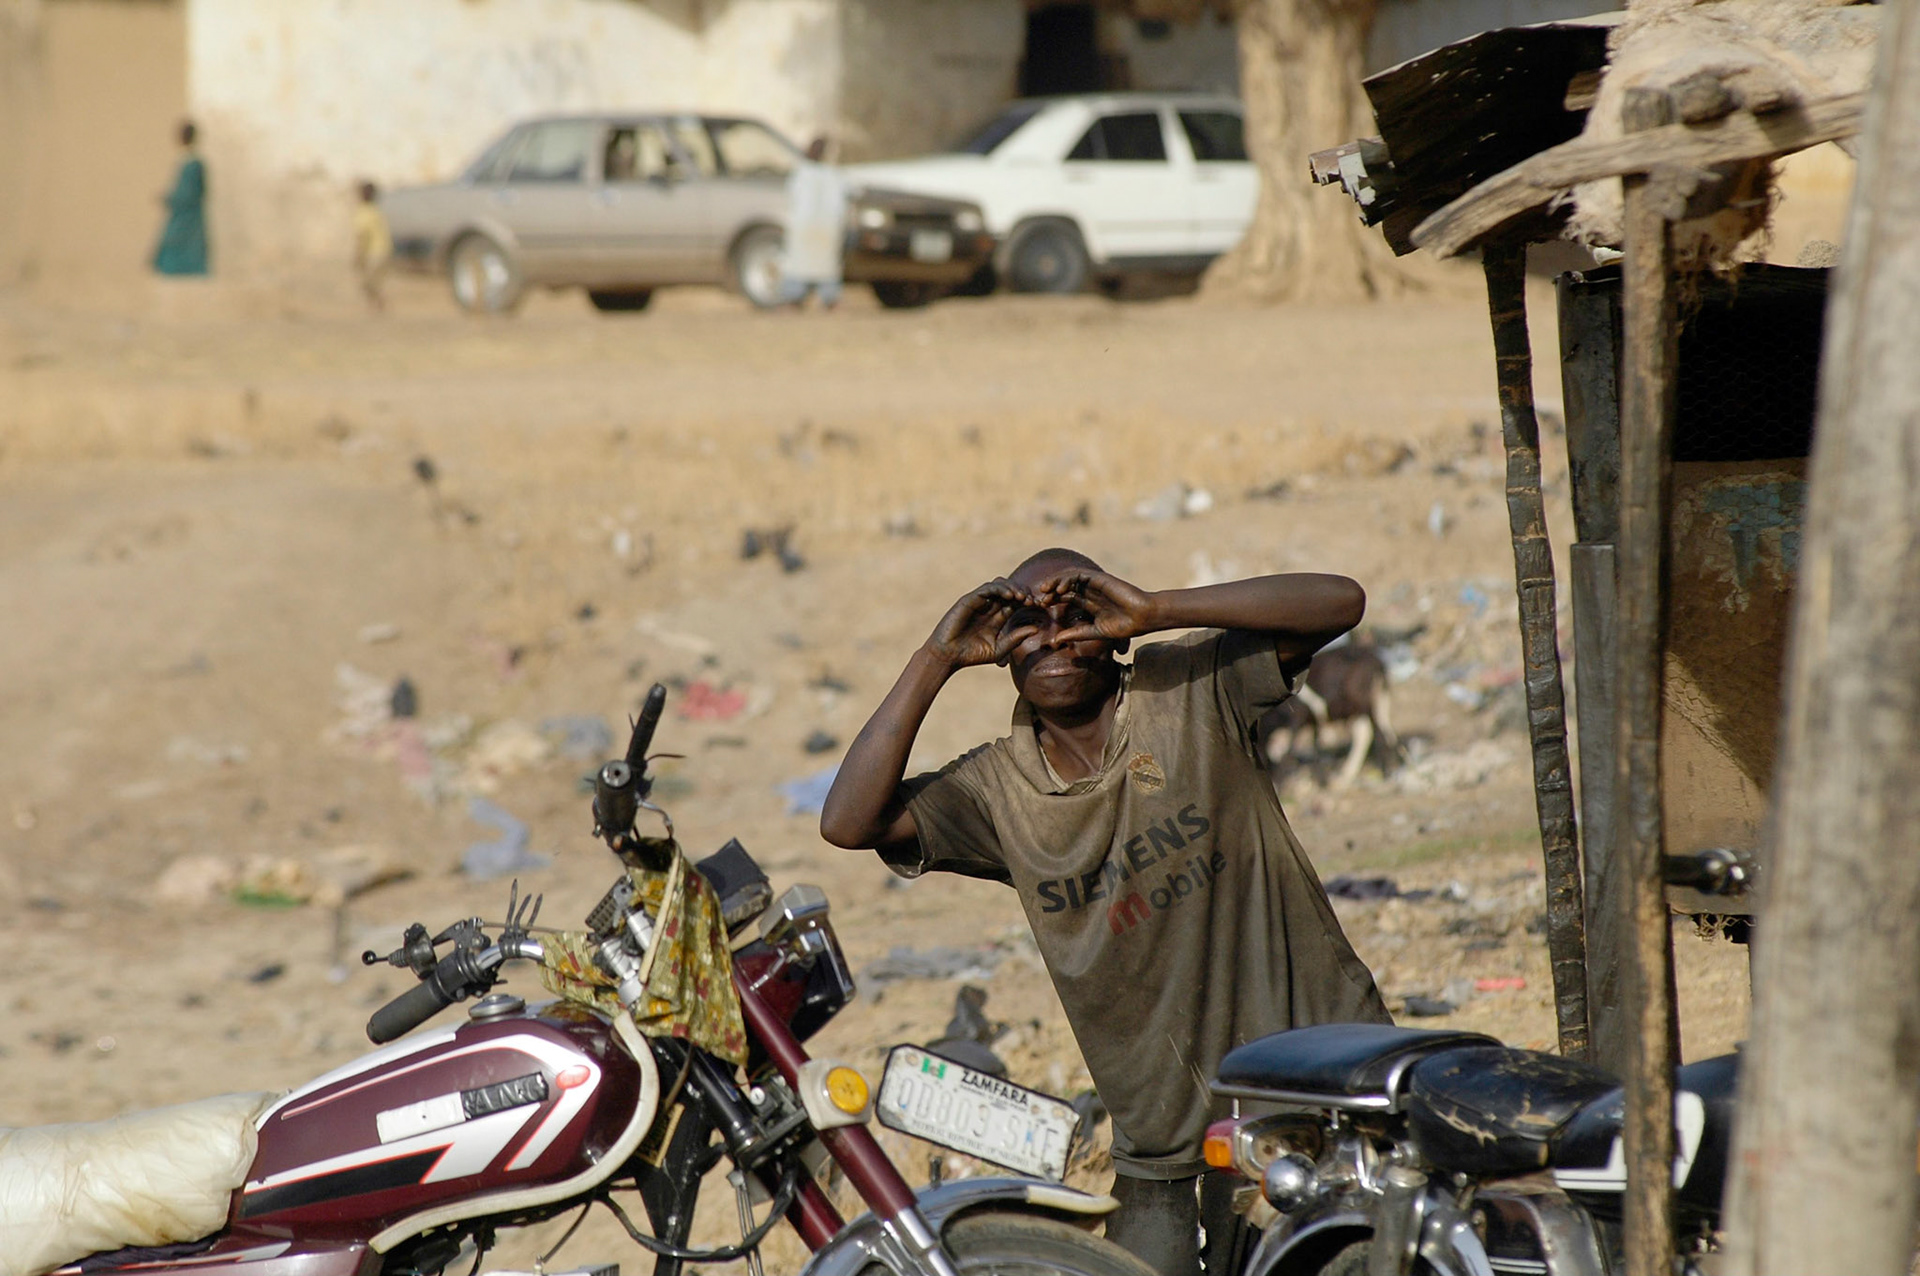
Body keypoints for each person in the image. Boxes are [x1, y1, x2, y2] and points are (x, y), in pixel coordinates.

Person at [821, 550, 1391, 1276]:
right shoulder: (998, 790)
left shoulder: (1189, 693)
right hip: (1159, 1140)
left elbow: (1341, 601)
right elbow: (847, 821)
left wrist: (1159, 609)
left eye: (1077, 620)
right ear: (1000, 652)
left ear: (1117, 632)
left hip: (1311, 1084)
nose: (1054, 640)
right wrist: (936, 658)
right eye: (1028, 626)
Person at [781, 136, 846, 310]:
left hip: (806, 226)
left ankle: (798, 298)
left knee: (805, 265)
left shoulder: (801, 174)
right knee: (822, 266)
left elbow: (790, 201)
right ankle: (824, 299)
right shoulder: (831, 175)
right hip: (824, 227)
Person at [152, 120, 209, 277]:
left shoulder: (194, 164)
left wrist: (172, 199)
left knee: (185, 247)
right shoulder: (185, 162)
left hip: (189, 217)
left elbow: (192, 192)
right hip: (181, 214)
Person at [351, 181, 393, 312]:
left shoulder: (364, 213)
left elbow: (362, 237)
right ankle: (377, 305)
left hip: (374, 253)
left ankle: (377, 306)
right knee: (374, 282)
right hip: (384, 251)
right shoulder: (376, 211)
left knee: (367, 282)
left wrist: (358, 255)